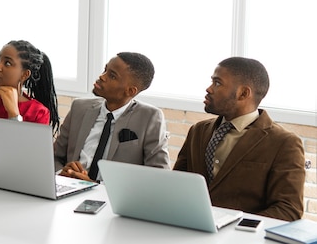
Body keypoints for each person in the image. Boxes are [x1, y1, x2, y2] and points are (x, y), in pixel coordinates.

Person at [174, 57, 305, 221]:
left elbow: (288, 209)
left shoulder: (284, 143)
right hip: (189, 230)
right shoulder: (198, 131)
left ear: (243, 93)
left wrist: (232, 226)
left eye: (217, 83)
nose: (209, 89)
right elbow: (176, 186)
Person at [54, 52, 170, 182]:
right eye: (105, 70)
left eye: (112, 76)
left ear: (131, 91)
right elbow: (54, 156)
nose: (102, 77)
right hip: (69, 189)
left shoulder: (150, 118)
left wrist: (95, 185)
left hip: (111, 198)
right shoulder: (79, 107)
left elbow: (159, 176)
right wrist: (62, 173)